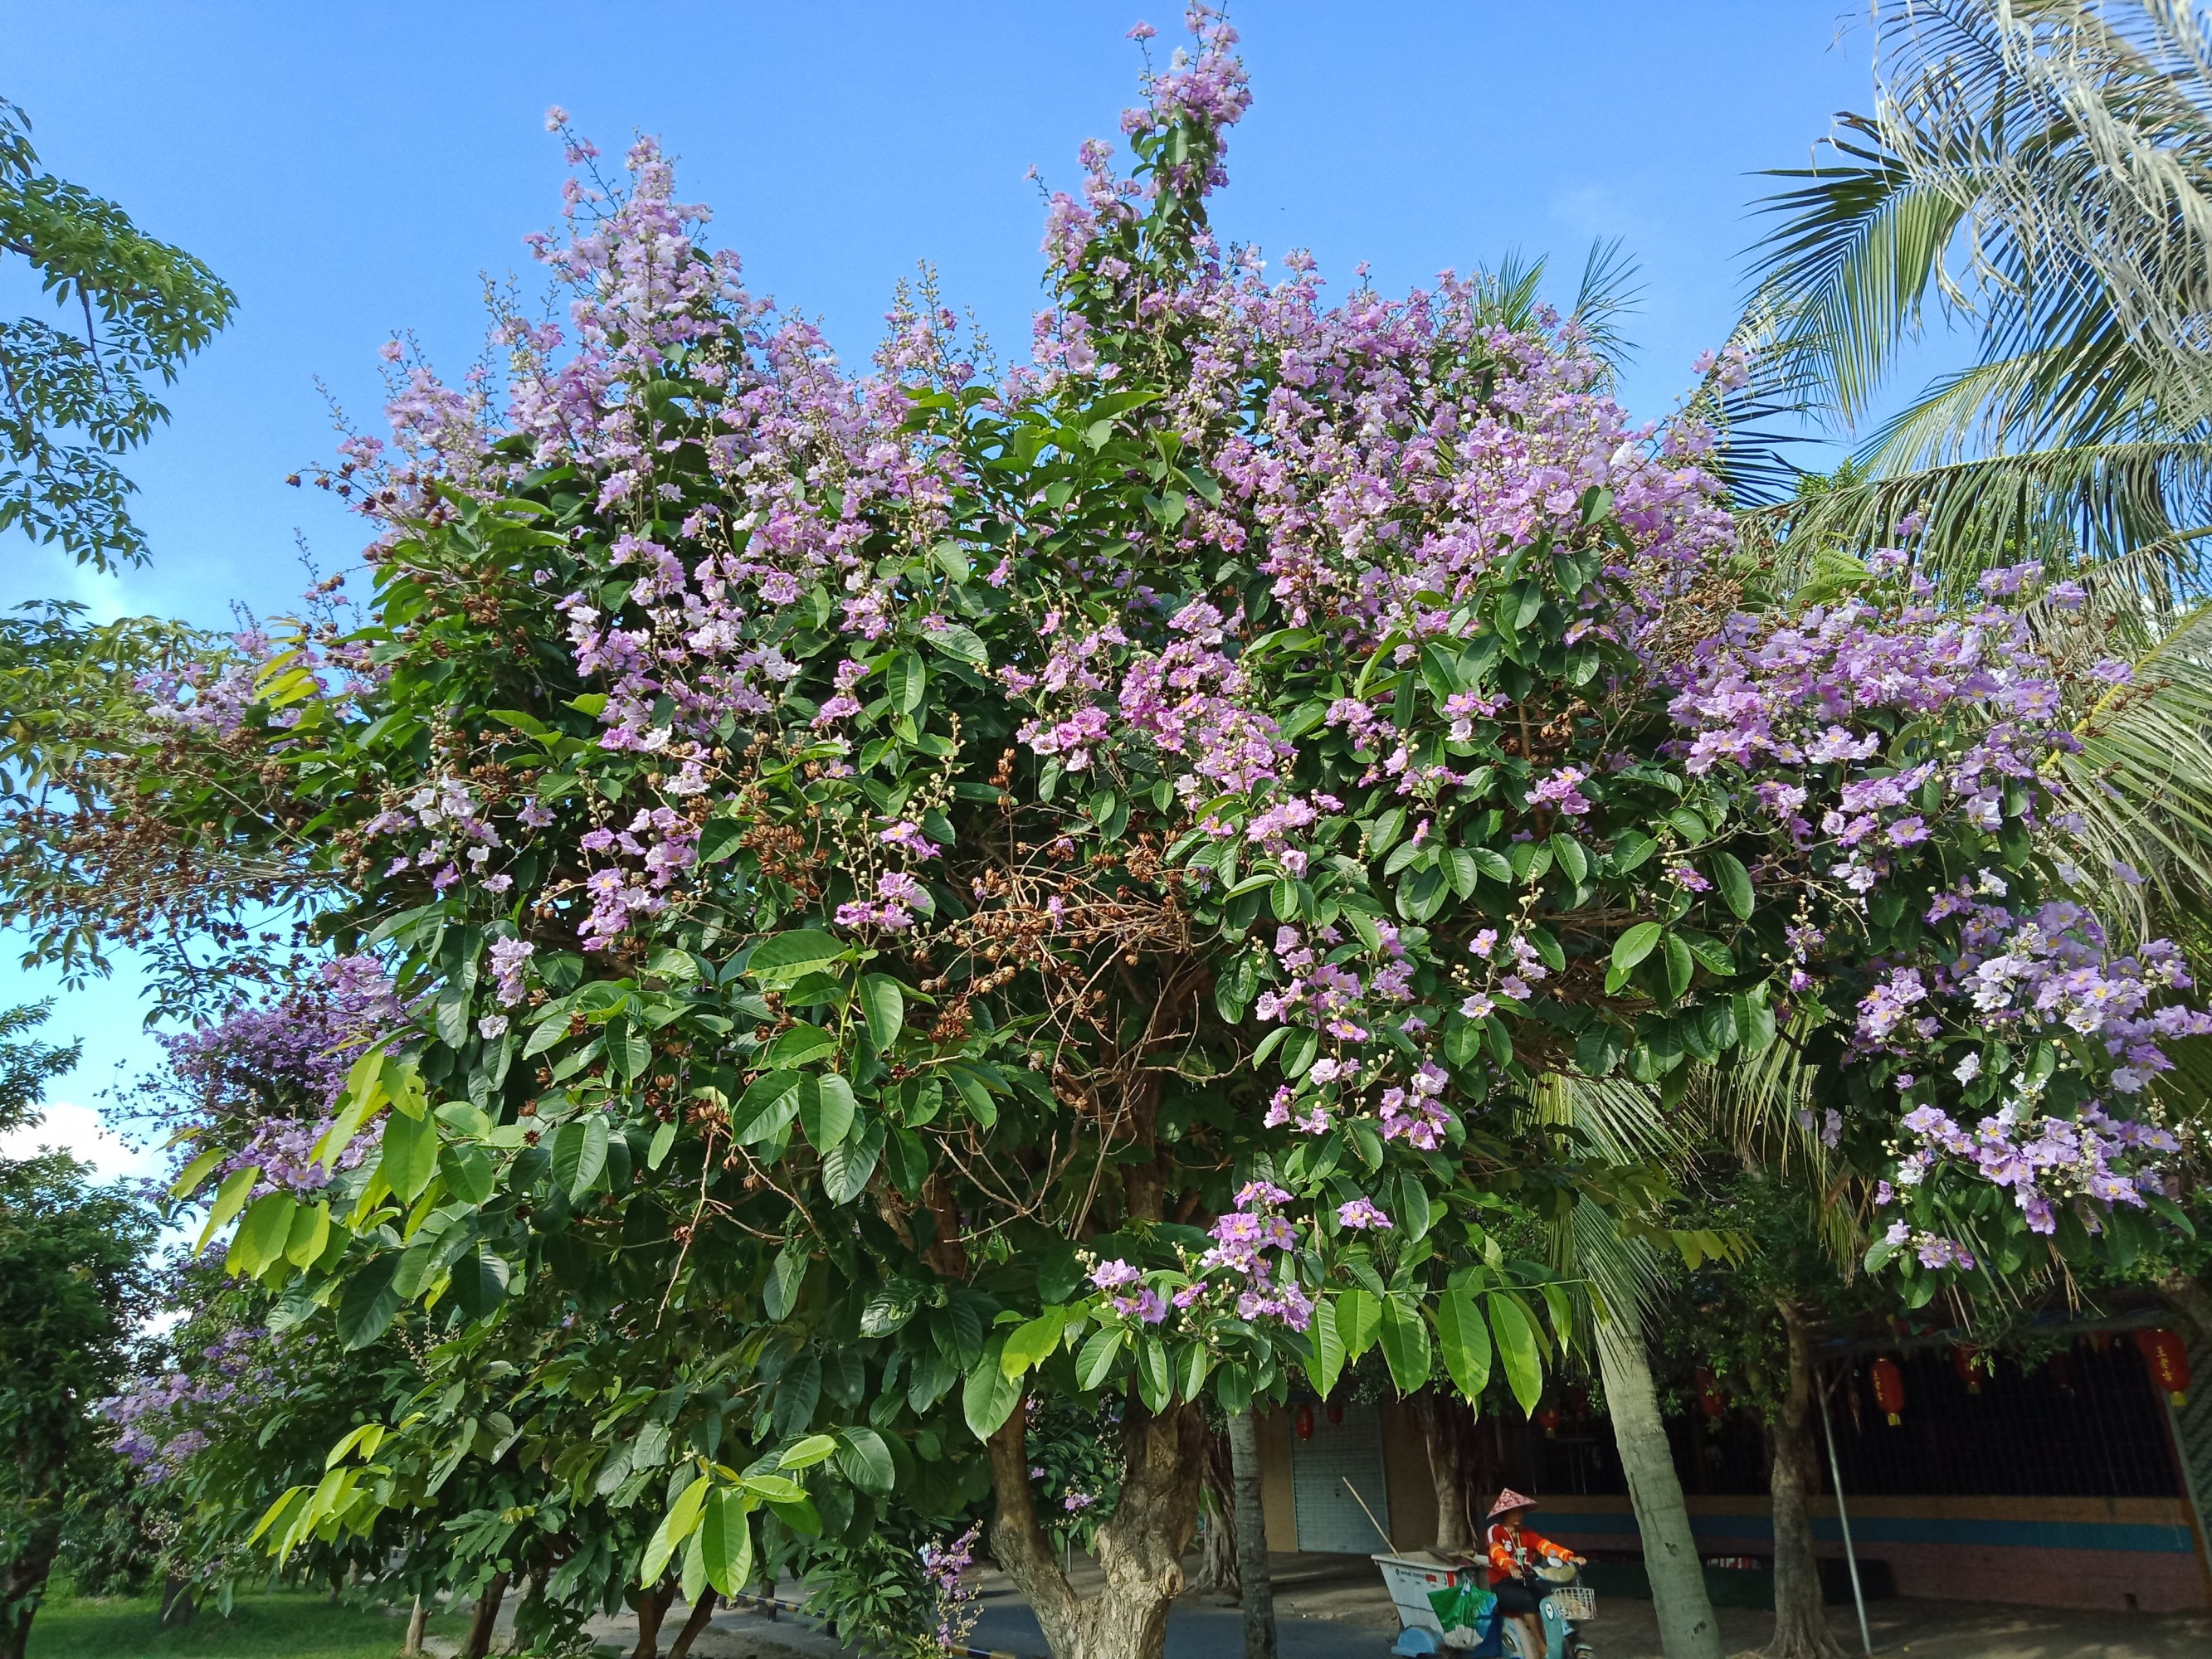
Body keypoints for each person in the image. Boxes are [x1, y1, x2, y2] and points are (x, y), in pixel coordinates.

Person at [1485, 1488, 1583, 1657]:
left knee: (1551, 1596)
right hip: (1502, 1583)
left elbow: (1545, 1546)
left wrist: (1569, 1556)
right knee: (1528, 1599)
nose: (1518, 1516)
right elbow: (1496, 1551)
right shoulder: (1495, 1531)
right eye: (1514, 1512)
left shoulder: (1527, 1533)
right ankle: (1541, 1645)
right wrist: (1511, 1566)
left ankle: (1560, 1639)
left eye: (1520, 1512)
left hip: (1526, 1579)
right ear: (1505, 1514)